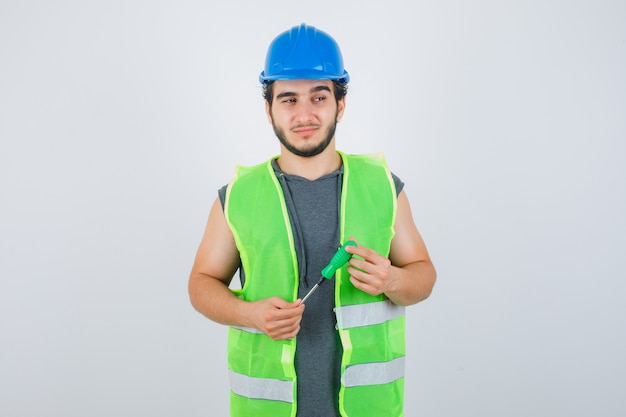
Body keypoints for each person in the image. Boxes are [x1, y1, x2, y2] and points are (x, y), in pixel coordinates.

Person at [188, 23, 436, 417]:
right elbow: (200, 284)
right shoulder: (237, 195)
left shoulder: (382, 186)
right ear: (268, 109)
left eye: (318, 97)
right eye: (288, 99)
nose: (304, 114)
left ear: (340, 104)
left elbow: (423, 277)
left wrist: (393, 280)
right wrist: (248, 313)